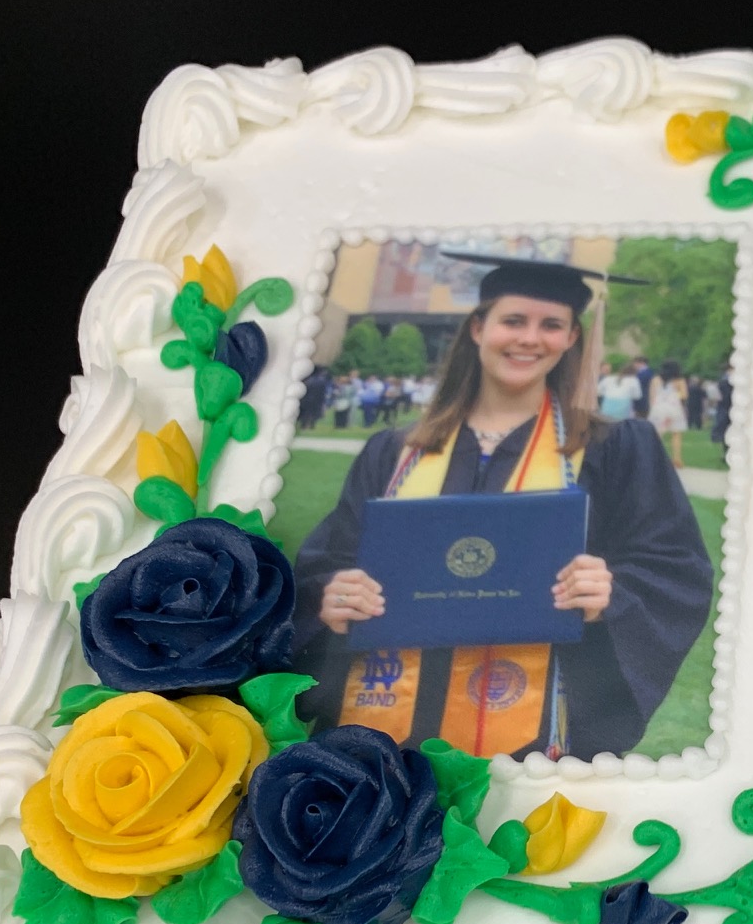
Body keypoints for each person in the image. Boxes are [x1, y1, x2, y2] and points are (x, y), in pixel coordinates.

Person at [293, 256, 713, 761]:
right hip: (380, 729)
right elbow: (330, 559)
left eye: (551, 325)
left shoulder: (616, 447)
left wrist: (612, 594)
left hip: (531, 739)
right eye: (513, 320)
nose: (530, 339)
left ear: (572, 338)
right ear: (478, 327)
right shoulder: (396, 451)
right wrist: (333, 596)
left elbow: (674, 569)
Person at [648, 359, 690, 467]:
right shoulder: (679, 380)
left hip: (658, 408)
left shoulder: (655, 379)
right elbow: (684, 395)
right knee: (676, 433)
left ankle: (652, 457)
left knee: (657, 434)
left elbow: (652, 396)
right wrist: (674, 396)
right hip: (674, 408)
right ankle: (677, 458)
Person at [629, 354, 653, 418]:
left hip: (642, 402)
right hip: (642, 402)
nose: (633, 365)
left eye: (634, 363)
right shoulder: (649, 372)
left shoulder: (644, 374)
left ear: (640, 363)